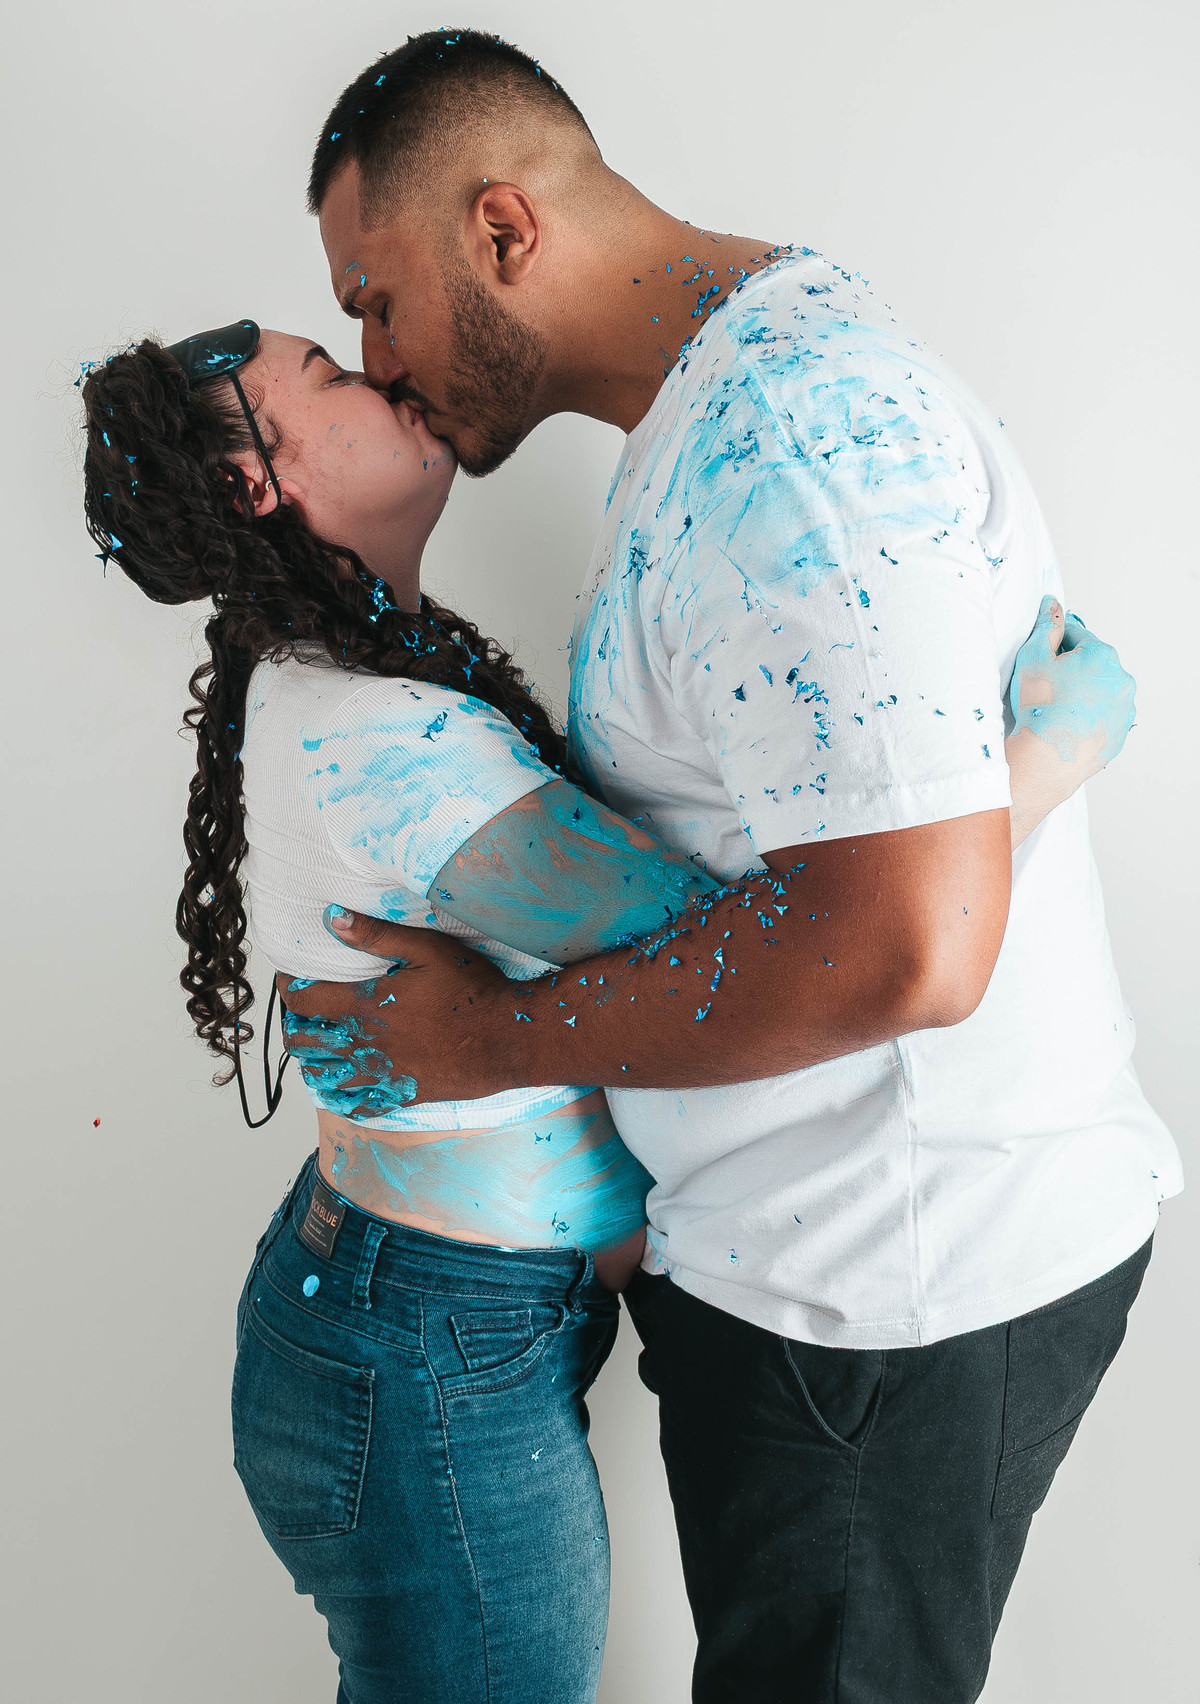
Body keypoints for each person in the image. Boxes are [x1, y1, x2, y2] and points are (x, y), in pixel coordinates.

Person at [278, 28, 1183, 1704]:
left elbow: (906, 943)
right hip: (830, 1272)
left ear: (501, 229)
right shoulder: (723, 415)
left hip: (884, 1295)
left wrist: (489, 1042)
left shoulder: (788, 444)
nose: (380, 360)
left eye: (375, 302)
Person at [82, 313, 1124, 1704]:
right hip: (427, 1348)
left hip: (427, 1322)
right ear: (252, 484)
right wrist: (1038, 766)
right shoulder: (381, 740)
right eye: (325, 374)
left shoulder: (368, 676)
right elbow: (744, 958)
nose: (374, 367)